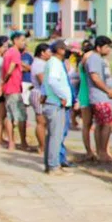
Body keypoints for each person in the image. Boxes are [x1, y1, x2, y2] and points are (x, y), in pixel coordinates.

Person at [42, 40, 75, 177]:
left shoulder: (52, 63)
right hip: (56, 103)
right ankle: (53, 166)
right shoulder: (55, 62)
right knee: (56, 136)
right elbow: (52, 81)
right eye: (65, 48)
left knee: (52, 136)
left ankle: (51, 163)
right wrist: (62, 95)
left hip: (53, 102)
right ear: (60, 50)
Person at [84, 36, 112, 165]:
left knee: (101, 124)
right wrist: (107, 90)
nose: (109, 50)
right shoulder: (94, 59)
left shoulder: (100, 59)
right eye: (106, 47)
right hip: (100, 97)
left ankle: (101, 151)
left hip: (101, 97)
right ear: (98, 48)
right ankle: (102, 151)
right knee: (106, 125)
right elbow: (95, 77)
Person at [1, 32, 30, 152]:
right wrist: (4, 82)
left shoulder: (8, 53)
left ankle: (11, 142)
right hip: (13, 87)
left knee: (9, 115)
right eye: (22, 40)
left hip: (9, 88)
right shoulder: (15, 52)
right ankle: (22, 143)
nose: (24, 43)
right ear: (15, 40)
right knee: (21, 116)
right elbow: (11, 69)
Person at [30, 43, 51, 157]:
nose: (50, 54)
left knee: (44, 122)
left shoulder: (42, 63)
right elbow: (43, 81)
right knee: (41, 122)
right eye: (49, 51)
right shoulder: (39, 64)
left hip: (41, 93)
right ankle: (42, 147)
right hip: (39, 94)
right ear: (42, 53)